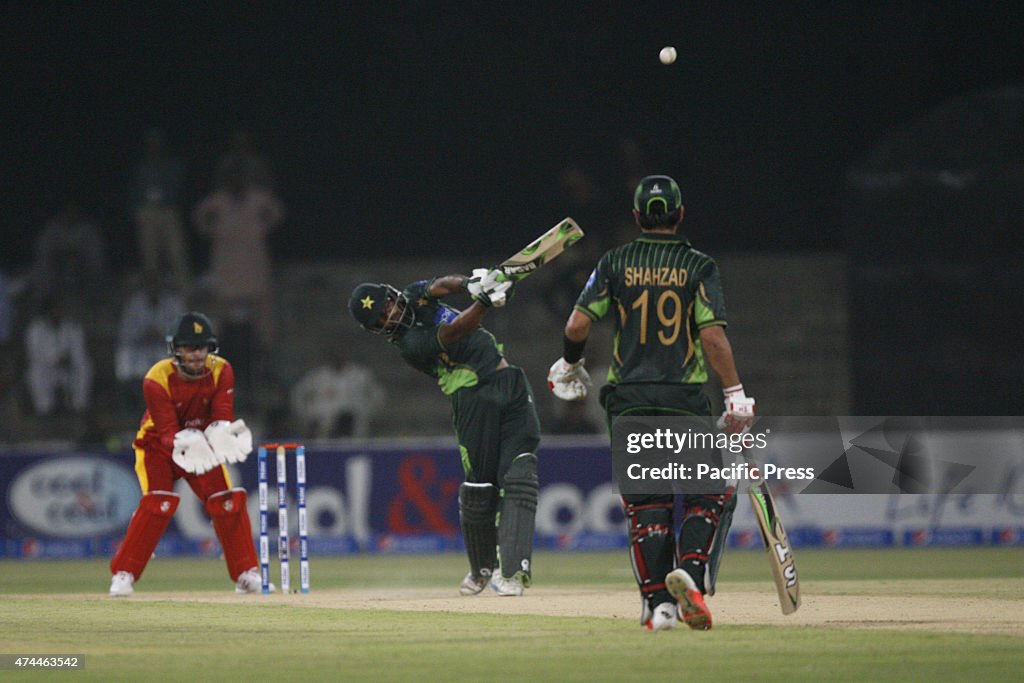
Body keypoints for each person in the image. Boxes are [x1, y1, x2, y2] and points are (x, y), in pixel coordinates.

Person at [548, 175, 755, 631]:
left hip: (629, 403)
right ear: (680, 214)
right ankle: (693, 578)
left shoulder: (615, 262)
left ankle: (659, 607)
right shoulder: (697, 265)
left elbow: (578, 323)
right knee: (705, 499)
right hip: (683, 400)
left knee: (648, 510)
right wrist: (735, 394)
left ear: (638, 216)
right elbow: (712, 336)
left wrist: (570, 365)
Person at [348, 269, 540, 596]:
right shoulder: (409, 345)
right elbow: (454, 331)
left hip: (509, 381)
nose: (391, 314)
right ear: (376, 329)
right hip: (472, 396)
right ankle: (481, 569)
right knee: (481, 486)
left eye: (389, 305)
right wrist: (484, 301)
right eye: (381, 318)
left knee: (521, 473)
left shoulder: (413, 294)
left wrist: (470, 284)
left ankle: (512, 572)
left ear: (394, 295)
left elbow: (439, 286)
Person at [109, 311, 263, 596]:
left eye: (202, 347)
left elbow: (221, 416)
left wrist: (221, 434)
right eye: (190, 348)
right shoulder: (156, 378)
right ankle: (124, 573)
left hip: (202, 446)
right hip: (157, 447)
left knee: (226, 501)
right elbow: (167, 431)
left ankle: (245, 572)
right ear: (175, 349)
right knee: (158, 504)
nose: (196, 354)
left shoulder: (222, 370)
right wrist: (190, 439)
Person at [128, 129, 189, 294]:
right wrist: (137, 209)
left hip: (168, 210)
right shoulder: (141, 167)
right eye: (151, 144)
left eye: (157, 143)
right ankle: (154, 293)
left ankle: (184, 291)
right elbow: (134, 189)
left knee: (176, 252)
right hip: (147, 211)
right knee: (150, 255)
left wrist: (167, 198)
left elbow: (178, 187)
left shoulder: (172, 165)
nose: (154, 147)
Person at [290, 347, 386, 439]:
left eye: (341, 355)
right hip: (324, 424)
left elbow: (378, 394)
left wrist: (369, 413)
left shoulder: (360, 375)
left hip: (354, 424)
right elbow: (298, 393)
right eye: (335, 356)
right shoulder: (318, 376)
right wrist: (306, 415)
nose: (338, 358)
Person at [24, 296, 93, 416]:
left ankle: (79, 406)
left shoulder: (72, 327)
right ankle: (44, 409)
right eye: (55, 310)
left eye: (60, 310)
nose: (58, 313)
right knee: (35, 373)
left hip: (67, 367)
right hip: (46, 368)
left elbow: (79, 350)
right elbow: (34, 353)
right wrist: (55, 359)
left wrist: (70, 360)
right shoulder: (35, 329)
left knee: (84, 367)